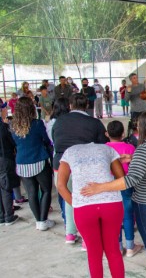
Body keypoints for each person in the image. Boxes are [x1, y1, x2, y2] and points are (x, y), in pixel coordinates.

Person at [81, 110, 146, 278]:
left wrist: (100, 187)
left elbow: (131, 180)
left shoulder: (144, 150)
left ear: (142, 127)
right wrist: (132, 159)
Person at [57, 142, 125, 278]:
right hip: (111, 204)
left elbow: (60, 185)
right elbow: (122, 178)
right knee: (113, 250)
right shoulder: (107, 149)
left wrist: (76, 204)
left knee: (94, 253)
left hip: (84, 209)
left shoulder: (70, 151)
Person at [52, 93, 108, 245]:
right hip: (84, 166)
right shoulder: (94, 123)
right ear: (87, 106)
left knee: (69, 199)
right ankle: (86, 237)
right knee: (86, 200)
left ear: (70, 105)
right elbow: (104, 144)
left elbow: (55, 141)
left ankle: (70, 233)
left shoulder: (58, 122)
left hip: (60, 165)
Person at [10, 97, 54, 231]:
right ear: (31, 109)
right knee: (46, 190)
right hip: (39, 159)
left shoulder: (12, 126)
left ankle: (39, 221)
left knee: (31, 193)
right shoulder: (37, 123)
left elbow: (13, 144)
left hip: (22, 162)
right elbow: (46, 140)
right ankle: (43, 219)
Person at [105, 121, 144, 257]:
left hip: (110, 186)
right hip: (126, 184)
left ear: (107, 134)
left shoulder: (104, 149)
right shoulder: (130, 148)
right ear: (123, 134)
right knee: (127, 215)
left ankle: (117, 247)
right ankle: (130, 247)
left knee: (113, 217)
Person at [0, 117, 20, 226]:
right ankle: (9, 216)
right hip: (4, 159)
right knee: (6, 187)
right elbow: (12, 142)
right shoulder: (3, 126)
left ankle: (1, 216)